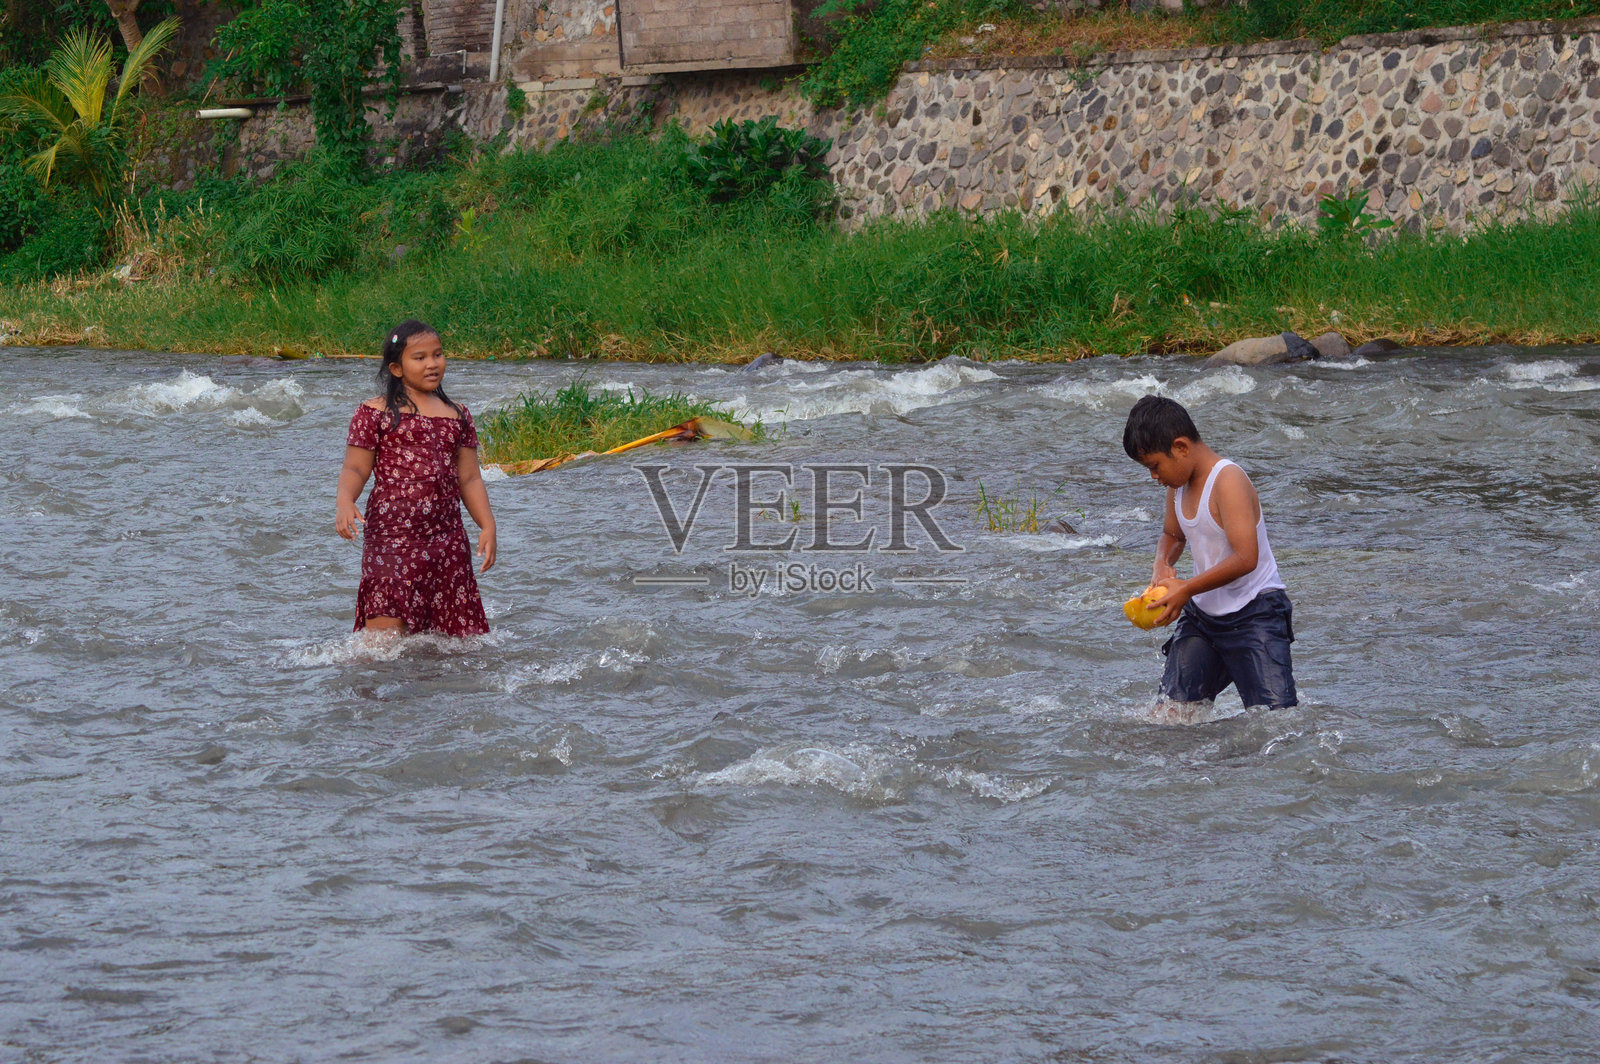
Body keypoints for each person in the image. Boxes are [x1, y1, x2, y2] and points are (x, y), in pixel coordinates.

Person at [1122, 395, 1296, 712]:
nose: (1153, 476)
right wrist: (1162, 564)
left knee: (1276, 723)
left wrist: (1186, 588)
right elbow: (1172, 535)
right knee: (1171, 714)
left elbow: (1246, 558)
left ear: (1181, 447)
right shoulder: (1177, 486)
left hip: (1256, 613)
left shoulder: (1228, 480)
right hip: (1202, 619)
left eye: (1155, 466)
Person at [335, 320, 496, 636]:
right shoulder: (374, 412)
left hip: (447, 539)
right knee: (383, 639)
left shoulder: (458, 415)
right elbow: (355, 469)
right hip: (392, 538)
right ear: (396, 368)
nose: (432, 364)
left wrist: (488, 525)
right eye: (419, 358)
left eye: (438, 354)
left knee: (454, 638)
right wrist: (345, 501)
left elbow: (469, 479)